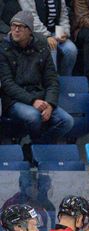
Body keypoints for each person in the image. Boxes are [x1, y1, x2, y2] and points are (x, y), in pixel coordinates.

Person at [0, 11, 73, 144]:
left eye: (20, 26)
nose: (16, 30)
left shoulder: (42, 46)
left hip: (40, 97)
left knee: (67, 121)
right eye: (13, 25)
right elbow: (7, 83)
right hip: (13, 100)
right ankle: (35, 146)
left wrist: (50, 104)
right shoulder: (4, 48)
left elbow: (52, 80)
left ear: (30, 30)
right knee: (34, 116)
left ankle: (37, 146)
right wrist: (33, 101)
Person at [19, 0, 77, 75]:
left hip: (55, 32)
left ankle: (66, 78)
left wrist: (63, 32)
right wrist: (46, 36)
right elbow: (31, 18)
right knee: (51, 48)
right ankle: (52, 79)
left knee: (71, 50)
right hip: (35, 33)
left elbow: (63, 16)